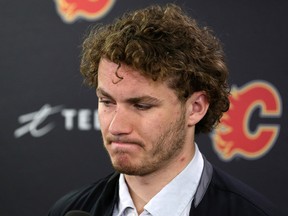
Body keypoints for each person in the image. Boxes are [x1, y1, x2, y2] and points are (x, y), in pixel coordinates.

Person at [48, 3, 279, 216]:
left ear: (195, 107)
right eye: (107, 102)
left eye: (141, 105)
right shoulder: (68, 210)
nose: (116, 126)